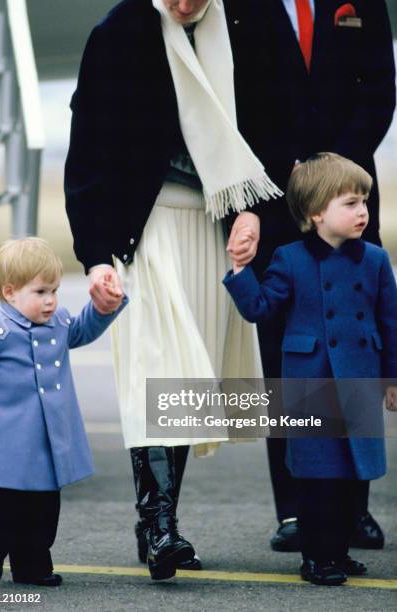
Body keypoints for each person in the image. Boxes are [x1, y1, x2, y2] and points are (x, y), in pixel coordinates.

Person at [65, 0, 281, 580]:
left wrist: (256, 210)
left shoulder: (247, 23)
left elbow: (272, 122)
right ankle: (161, 528)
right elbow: (87, 144)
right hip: (146, 223)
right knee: (159, 365)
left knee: (191, 379)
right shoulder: (120, 31)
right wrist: (93, 256)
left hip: (217, 219)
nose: (185, 4)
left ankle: (156, 523)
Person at [227, 0, 396, 552]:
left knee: (357, 353)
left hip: (347, 195)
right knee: (288, 361)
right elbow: (236, 97)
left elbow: (379, 85)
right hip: (275, 198)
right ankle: (297, 508)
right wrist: (288, 170)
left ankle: (354, 509)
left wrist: (331, 171)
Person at [224, 152, 397, 585]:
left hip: (359, 376)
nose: (362, 212)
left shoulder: (375, 259)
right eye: (350, 203)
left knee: (349, 476)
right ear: (316, 213)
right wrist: (241, 271)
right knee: (317, 474)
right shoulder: (289, 258)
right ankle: (317, 557)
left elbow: (391, 322)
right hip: (310, 378)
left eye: (364, 202)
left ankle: (338, 551)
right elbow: (260, 310)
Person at [0, 238, 126, 586]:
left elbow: (82, 330)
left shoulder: (57, 322)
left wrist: (104, 307)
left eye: (55, 290)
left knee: (42, 513)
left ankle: (33, 566)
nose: (51, 300)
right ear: (10, 293)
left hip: (44, 446)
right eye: (41, 291)